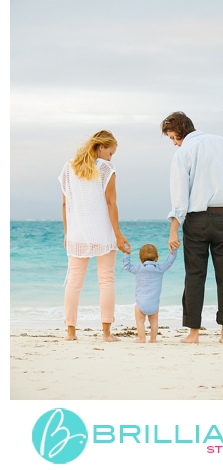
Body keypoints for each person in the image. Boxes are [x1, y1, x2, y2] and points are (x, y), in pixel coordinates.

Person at [163, 111, 223, 345]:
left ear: (181, 131)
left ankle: (193, 334)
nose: (174, 143)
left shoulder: (183, 153)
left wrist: (174, 230)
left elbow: (179, 198)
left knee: (194, 275)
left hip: (197, 220)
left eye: (173, 137)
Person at [59, 130, 132, 341]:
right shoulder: (106, 168)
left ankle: (70, 333)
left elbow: (65, 204)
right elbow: (111, 203)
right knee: (106, 281)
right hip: (102, 231)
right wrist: (118, 235)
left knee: (74, 282)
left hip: (77, 232)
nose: (111, 157)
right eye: (111, 152)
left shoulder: (68, 167)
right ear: (101, 147)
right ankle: (107, 334)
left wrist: (67, 232)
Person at [123, 243, 177, 343]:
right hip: (154, 303)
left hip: (140, 304)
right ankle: (153, 339)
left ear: (140, 259)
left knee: (140, 321)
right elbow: (169, 262)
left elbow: (127, 266)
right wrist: (174, 249)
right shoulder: (160, 268)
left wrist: (127, 253)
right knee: (154, 321)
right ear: (156, 258)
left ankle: (142, 338)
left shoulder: (138, 268)